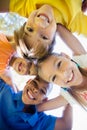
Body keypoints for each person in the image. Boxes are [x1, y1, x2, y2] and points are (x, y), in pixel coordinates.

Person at [0, 3, 87, 56]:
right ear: (54, 36)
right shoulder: (71, 21)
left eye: (30, 29)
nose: (39, 23)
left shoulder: (27, 5)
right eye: (44, 37)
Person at [0, 75, 73, 130]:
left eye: (43, 91)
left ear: (44, 100)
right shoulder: (5, 90)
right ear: (28, 81)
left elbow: (66, 125)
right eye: (35, 82)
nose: (35, 89)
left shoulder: (40, 121)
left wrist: (68, 86)